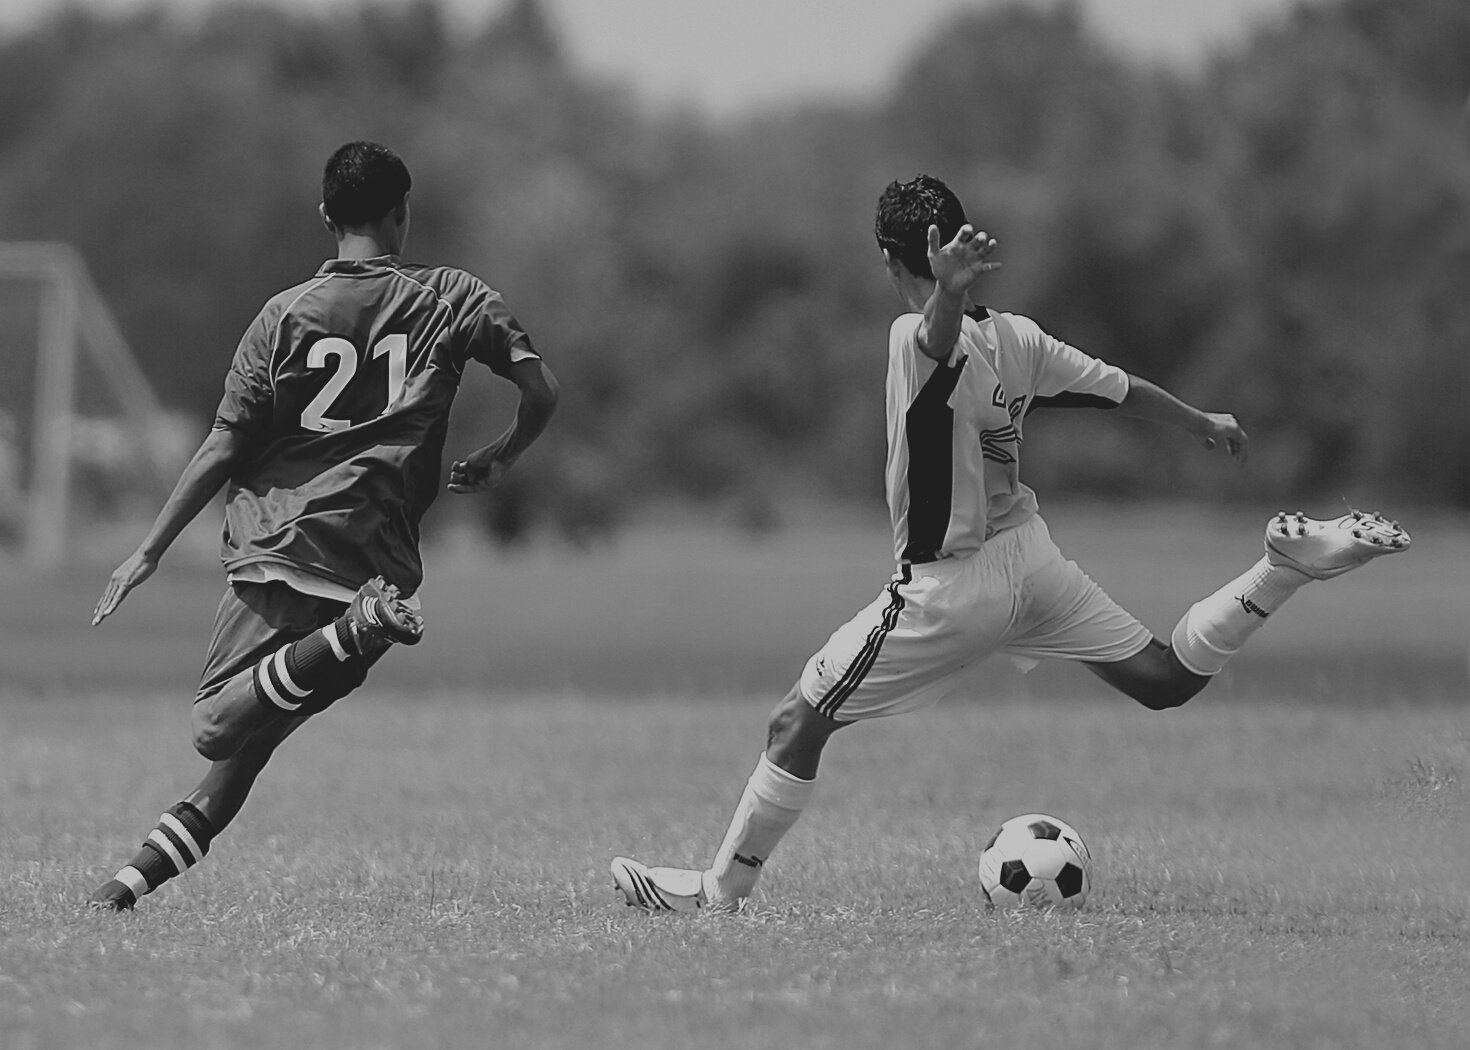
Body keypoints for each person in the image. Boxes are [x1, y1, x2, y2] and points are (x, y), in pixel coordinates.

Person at [610, 173, 1408, 913]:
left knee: (797, 722)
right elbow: (1117, 388)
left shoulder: (909, 335)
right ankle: (1279, 570)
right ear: (956, 242)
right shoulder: (1020, 338)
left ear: (892, 259)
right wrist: (1201, 421)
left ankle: (719, 894)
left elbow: (933, 342)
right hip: (1030, 557)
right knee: (1163, 677)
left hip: (948, 587)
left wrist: (945, 297)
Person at [87, 141, 559, 911]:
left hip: (281, 544)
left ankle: (347, 634)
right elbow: (543, 389)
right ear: (403, 214)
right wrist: (502, 456)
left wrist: (147, 550)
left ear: (325, 216)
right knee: (244, 752)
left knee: (215, 725)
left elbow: (226, 444)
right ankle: (121, 890)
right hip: (376, 562)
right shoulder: (454, 297)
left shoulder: (282, 316)